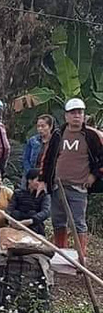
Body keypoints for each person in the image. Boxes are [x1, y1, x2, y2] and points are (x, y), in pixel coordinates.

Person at [39, 98, 103, 256]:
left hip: (79, 187)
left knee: (78, 223)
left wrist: (94, 176)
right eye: (73, 113)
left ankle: (81, 256)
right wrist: (43, 180)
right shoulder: (58, 134)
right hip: (57, 186)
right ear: (66, 116)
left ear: (84, 115)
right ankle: (61, 253)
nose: (77, 116)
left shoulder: (91, 136)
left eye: (80, 112)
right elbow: (48, 159)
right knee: (58, 221)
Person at [7, 168, 51, 236]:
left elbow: (45, 212)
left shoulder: (44, 196)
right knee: (16, 213)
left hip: (34, 225)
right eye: (38, 180)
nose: (40, 183)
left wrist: (30, 221)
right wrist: (10, 220)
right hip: (16, 223)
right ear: (30, 180)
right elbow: (10, 208)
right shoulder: (18, 193)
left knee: (32, 213)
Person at [22, 115, 55, 184]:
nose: (40, 129)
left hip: (47, 176)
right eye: (38, 126)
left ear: (50, 127)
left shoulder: (55, 141)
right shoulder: (33, 140)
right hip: (31, 175)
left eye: (43, 126)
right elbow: (26, 158)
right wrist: (30, 173)